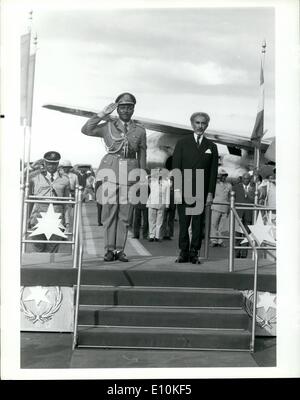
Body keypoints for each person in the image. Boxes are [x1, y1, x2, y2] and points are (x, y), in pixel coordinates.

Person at [81, 92, 147, 262]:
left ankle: (120, 250)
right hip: (110, 172)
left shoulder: (139, 130)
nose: (126, 110)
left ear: (133, 109)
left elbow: (142, 153)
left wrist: (142, 175)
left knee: (125, 215)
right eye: (122, 107)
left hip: (130, 174)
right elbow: (86, 130)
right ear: (117, 108)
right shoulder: (107, 125)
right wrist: (102, 114)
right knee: (109, 214)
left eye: (129, 107)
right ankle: (109, 249)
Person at [172, 112, 219, 264]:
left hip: (202, 190)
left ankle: (194, 252)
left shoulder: (211, 146)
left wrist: (210, 193)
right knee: (184, 223)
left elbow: (213, 173)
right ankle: (183, 252)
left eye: (203, 123)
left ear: (207, 125)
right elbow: (176, 167)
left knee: (198, 223)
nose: (200, 126)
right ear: (192, 124)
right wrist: (177, 190)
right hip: (184, 188)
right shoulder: (182, 143)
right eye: (197, 123)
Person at [28, 151, 70, 252]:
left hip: (57, 216)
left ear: (58, 164)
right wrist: (31, 167)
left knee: (52, 250)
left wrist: (68, 223)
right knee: (38, 249)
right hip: (38, 215)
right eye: (49, 163)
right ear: (45, 163)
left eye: (54, 163)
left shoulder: (65, 180)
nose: (51, 166)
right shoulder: (35, 177)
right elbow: (29, 200)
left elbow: (67, 204)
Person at [232, 172, 255, 258]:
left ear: (250, 179)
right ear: (242, 179)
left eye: (248, 179)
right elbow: (230, 197)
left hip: (249, 214)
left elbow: (256, 199)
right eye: (244, 178)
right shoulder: (236, 187)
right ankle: (237, 253)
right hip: (239, 213)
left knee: (247, 235)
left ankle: (244, 254)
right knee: (238, 234)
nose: (246, 180)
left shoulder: (253, 188)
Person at [210, 167, 232, 247]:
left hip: (225, 207)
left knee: (222, 226)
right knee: (214, 224)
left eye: (225, 175)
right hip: (216, 206)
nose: (223, 177)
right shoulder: (214, 184)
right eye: (222, 175)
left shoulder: (229, 185)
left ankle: (220, 240)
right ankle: (213, 240)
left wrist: (230, 207)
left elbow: (230, 196)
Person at [146, 169, 170, 242]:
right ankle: (151, 235)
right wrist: (154, 174)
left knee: (159, 221)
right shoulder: (152, 181)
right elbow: (146, 177)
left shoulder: (167, 182)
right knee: (151, 220)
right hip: (152, 202)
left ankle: (157, 236)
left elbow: (167, 194)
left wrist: (167, 205)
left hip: (161, 203)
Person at [161, 176, 176, 240]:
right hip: (166, 204)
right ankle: (164, 234)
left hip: (172, 205)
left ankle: (169, 234)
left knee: (170, 220)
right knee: (164, 219)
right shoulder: (165, 186)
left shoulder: (175, 188)